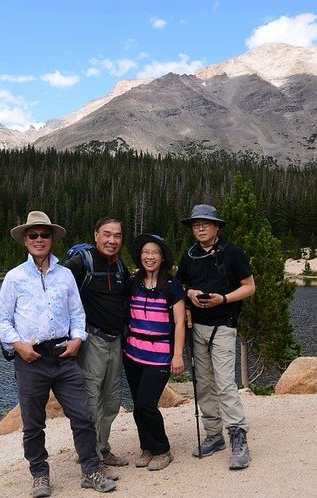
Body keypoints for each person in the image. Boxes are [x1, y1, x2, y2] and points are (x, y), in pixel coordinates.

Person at [0, 211, 117, 496]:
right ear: (25, 240)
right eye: (33, 235)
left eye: (44, 235)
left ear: (52, 239)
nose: (39, 240)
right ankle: (40, 475)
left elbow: (77, 313)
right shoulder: (14, 278)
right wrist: (18, 345)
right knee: (33, 424)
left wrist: (78, 339)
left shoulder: (65, 276)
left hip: (64, 355)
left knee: (83, 416)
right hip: (31, 359)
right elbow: (2, 319)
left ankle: (91, 470)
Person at [176, 203, 256, 470]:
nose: (199, 228)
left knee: (224, 382)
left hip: (224, 325)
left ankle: (238, 436)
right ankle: (213, 434)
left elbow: (249, 287)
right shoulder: (189, 256)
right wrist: (190, 295)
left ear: (217, 227)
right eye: (196, 225)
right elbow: (182, 286)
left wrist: (223, 299)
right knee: (203, 383)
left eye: (205, 224)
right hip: (196, 326)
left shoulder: (232, 253)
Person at [64, 218, 130, 474]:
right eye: (107, 235)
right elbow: (59, 293)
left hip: (116, 341)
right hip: (92, 341)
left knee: (112, 400)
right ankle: (90, 457)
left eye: (117, 236)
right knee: (91, 401)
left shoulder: (120, 266)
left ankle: (102, 448)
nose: (112, 241)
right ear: (95, 235)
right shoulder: (82, 263)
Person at [123, 233, 186, 471]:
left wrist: (177, 355)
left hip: (160, 354)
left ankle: (162, 449)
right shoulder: (132, 282)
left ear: (162, 257)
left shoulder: (172, 286)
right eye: (145, 252)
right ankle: (146, 447)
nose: (150, 257)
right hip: (132, 354)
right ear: (140, 256)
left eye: (155, 252)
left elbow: (180, 322)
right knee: (138, 406)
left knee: (147, 404)